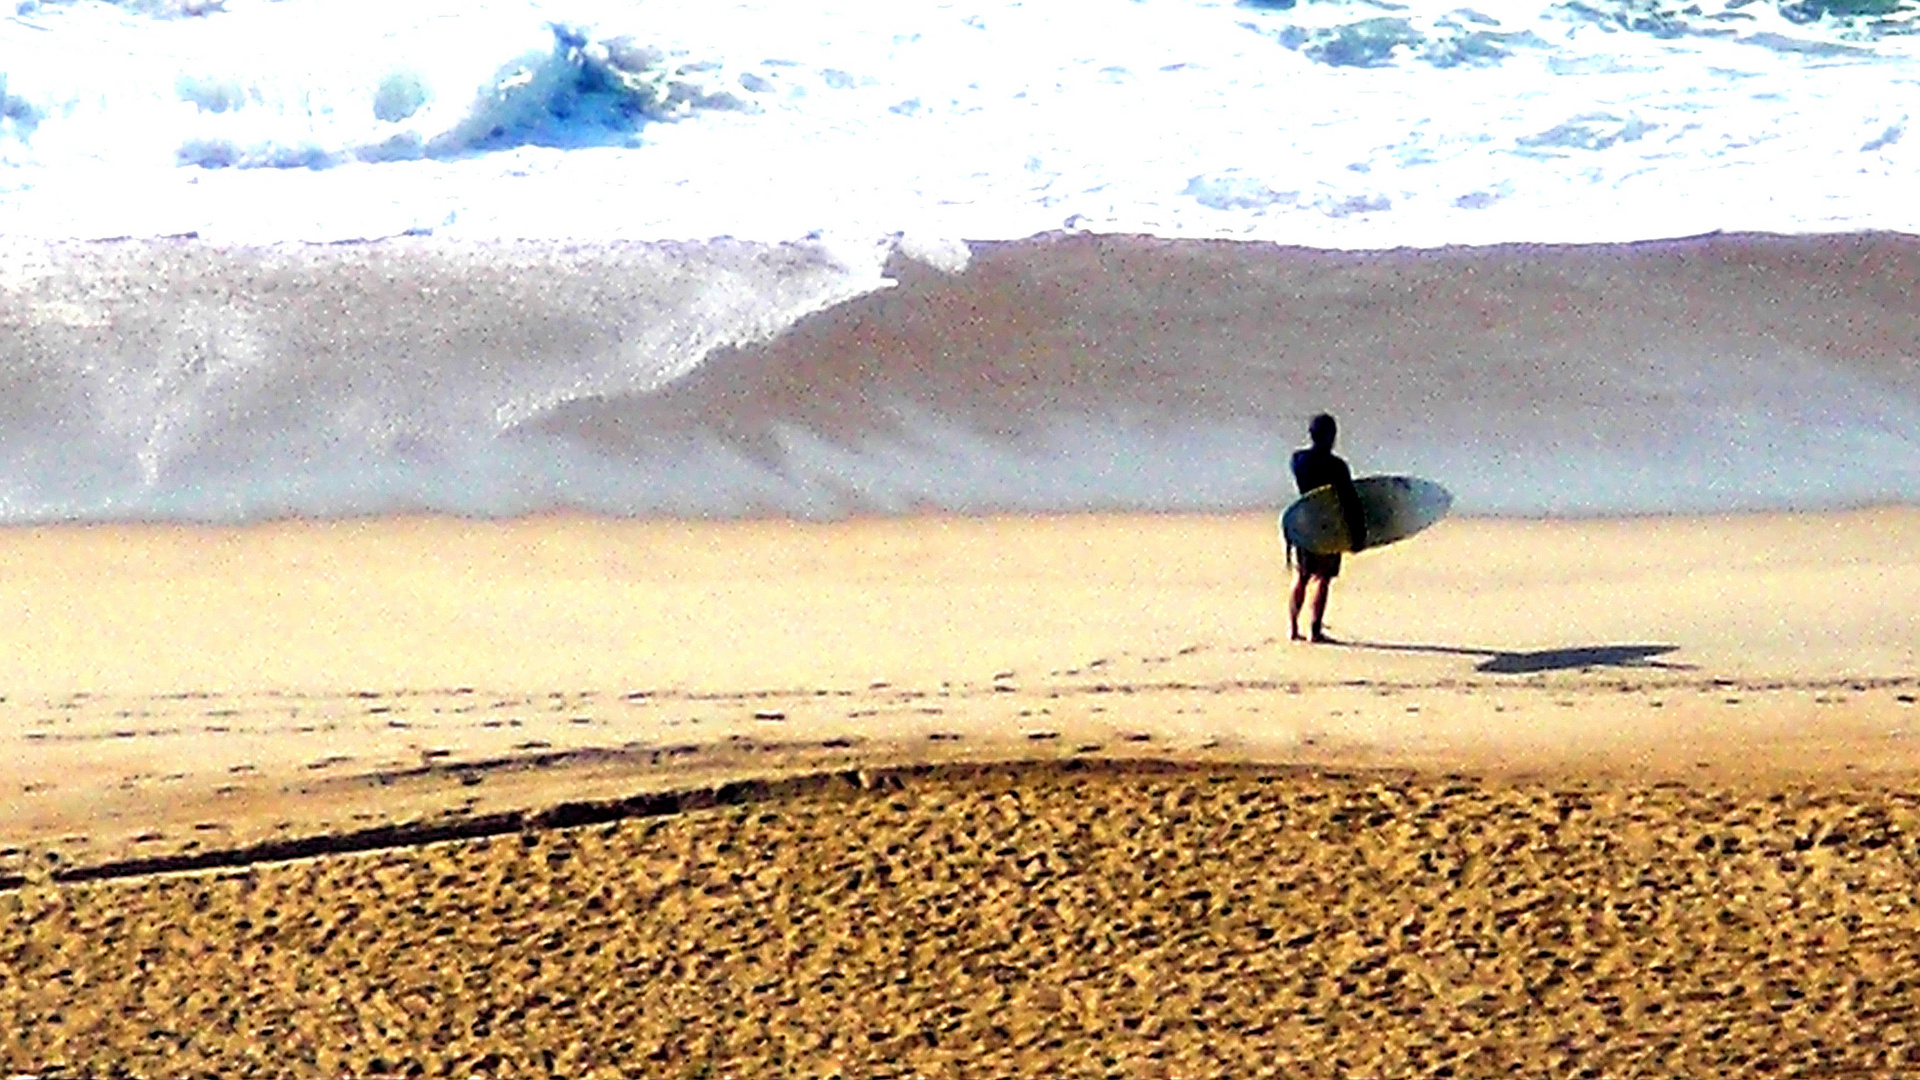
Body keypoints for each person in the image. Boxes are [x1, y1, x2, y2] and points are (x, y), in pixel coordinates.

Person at [1289, 413, 1366, 643]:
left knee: (1301, 576)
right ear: (1332, 436)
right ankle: (1315, 630)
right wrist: (1358, 535)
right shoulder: (1337, 467)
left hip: (1304, 523)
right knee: (1322, 578)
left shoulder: (1298, 460)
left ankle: (1293, 629)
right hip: (1329, 527)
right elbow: (1350, 502)